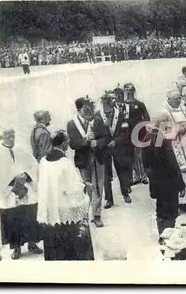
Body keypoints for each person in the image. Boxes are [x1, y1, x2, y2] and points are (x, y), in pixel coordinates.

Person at [36, 131, 94, 260]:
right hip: (65, 210)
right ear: (63, 145)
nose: (69, 143)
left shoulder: (43, 161)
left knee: (54, 244)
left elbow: (42, 185)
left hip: (50, 209)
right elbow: (73, 188)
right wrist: (86, 187)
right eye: (67, 141)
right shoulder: (65, 162)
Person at [0, 129, 42, 260]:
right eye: (8, 135)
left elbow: (33, 164)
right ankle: (16, 248)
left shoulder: (22, 149)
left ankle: (32, 244)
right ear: (2, 137)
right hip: (9, 190)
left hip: (26, 187)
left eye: (13, 135)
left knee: (30, 215)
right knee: (13, 218)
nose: (11, 138)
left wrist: (26, 176)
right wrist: (13, 180)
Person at [141, 112, 186, 239]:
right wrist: (181, 185)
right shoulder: (163, 140)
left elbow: (144, 162)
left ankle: (161, 235)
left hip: (156, 182)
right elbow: (172, 165)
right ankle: (168, 238)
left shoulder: (146, 138)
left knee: (160, 210)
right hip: (169, 183)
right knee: (171, 213)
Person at [66, 97, 110, 228]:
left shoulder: (97, 121)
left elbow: (106, 137)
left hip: (98, 158)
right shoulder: (71, 124)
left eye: (90, 107)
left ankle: (97, 215)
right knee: (87, 187)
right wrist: (86, 141)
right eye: (85, 108)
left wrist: (99, 143)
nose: (88, 110)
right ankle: (87, 213)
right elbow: (73, 144)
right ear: (79, 109)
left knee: (98, 186)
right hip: (83, 160)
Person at [160, 90, 186, 211]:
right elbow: (162, 130)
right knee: (179, 174)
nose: (179, 100)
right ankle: (178, 203)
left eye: (179, 98)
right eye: (176, 98)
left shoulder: (183, 108)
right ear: (169, 99)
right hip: (174, 146)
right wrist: (179, 129)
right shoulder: (163, 112)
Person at [99, 91, 133, 209]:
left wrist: (116, 141)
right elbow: (96, 134)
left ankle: (125, 193)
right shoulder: (98, 116)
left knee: (122, 171)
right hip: (105, 149)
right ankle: (109, 199)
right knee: (106, 175)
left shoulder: (120, 114)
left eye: (109, 102)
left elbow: (126, 132)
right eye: (105, 103)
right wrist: (105, 142)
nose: (107, 105)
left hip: (118, 148)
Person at [123, 83, 150, 186]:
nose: (129, 92)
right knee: (132, 156)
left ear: (133, 91)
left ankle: (144, 176)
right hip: (127, 134)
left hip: (139, 133)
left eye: (130, 90)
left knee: (140, 155)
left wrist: (141, 126)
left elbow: (147, 118)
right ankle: (136, 176)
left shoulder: (139, 104)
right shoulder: (122, 105)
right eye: (127, 90)